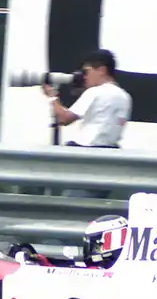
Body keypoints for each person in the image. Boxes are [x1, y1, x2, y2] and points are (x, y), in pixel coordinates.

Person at [42, 48, 132, 199]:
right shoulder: (125, 97)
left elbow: (64, 119)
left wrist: (52, 97)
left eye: (86, 71)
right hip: (111, 159)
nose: (84, 77)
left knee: (73, 203)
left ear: (101, 70)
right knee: (93, 204)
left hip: (89, 157)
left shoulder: (95, 92)